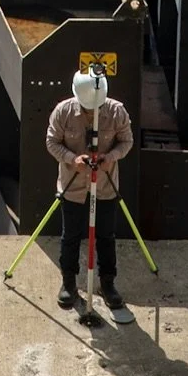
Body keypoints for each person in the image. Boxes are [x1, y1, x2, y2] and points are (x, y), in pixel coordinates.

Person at [45, 69, 133, 312]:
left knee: (106, 236)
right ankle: (69, 284)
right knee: (70, 236)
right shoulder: (63, 112)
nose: (91, 112)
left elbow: (127, 141)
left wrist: (110, 157)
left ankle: (107, 284)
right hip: (73, 185)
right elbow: (51, 141)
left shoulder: (116, 112)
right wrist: (73, 159)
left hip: (105, 186)